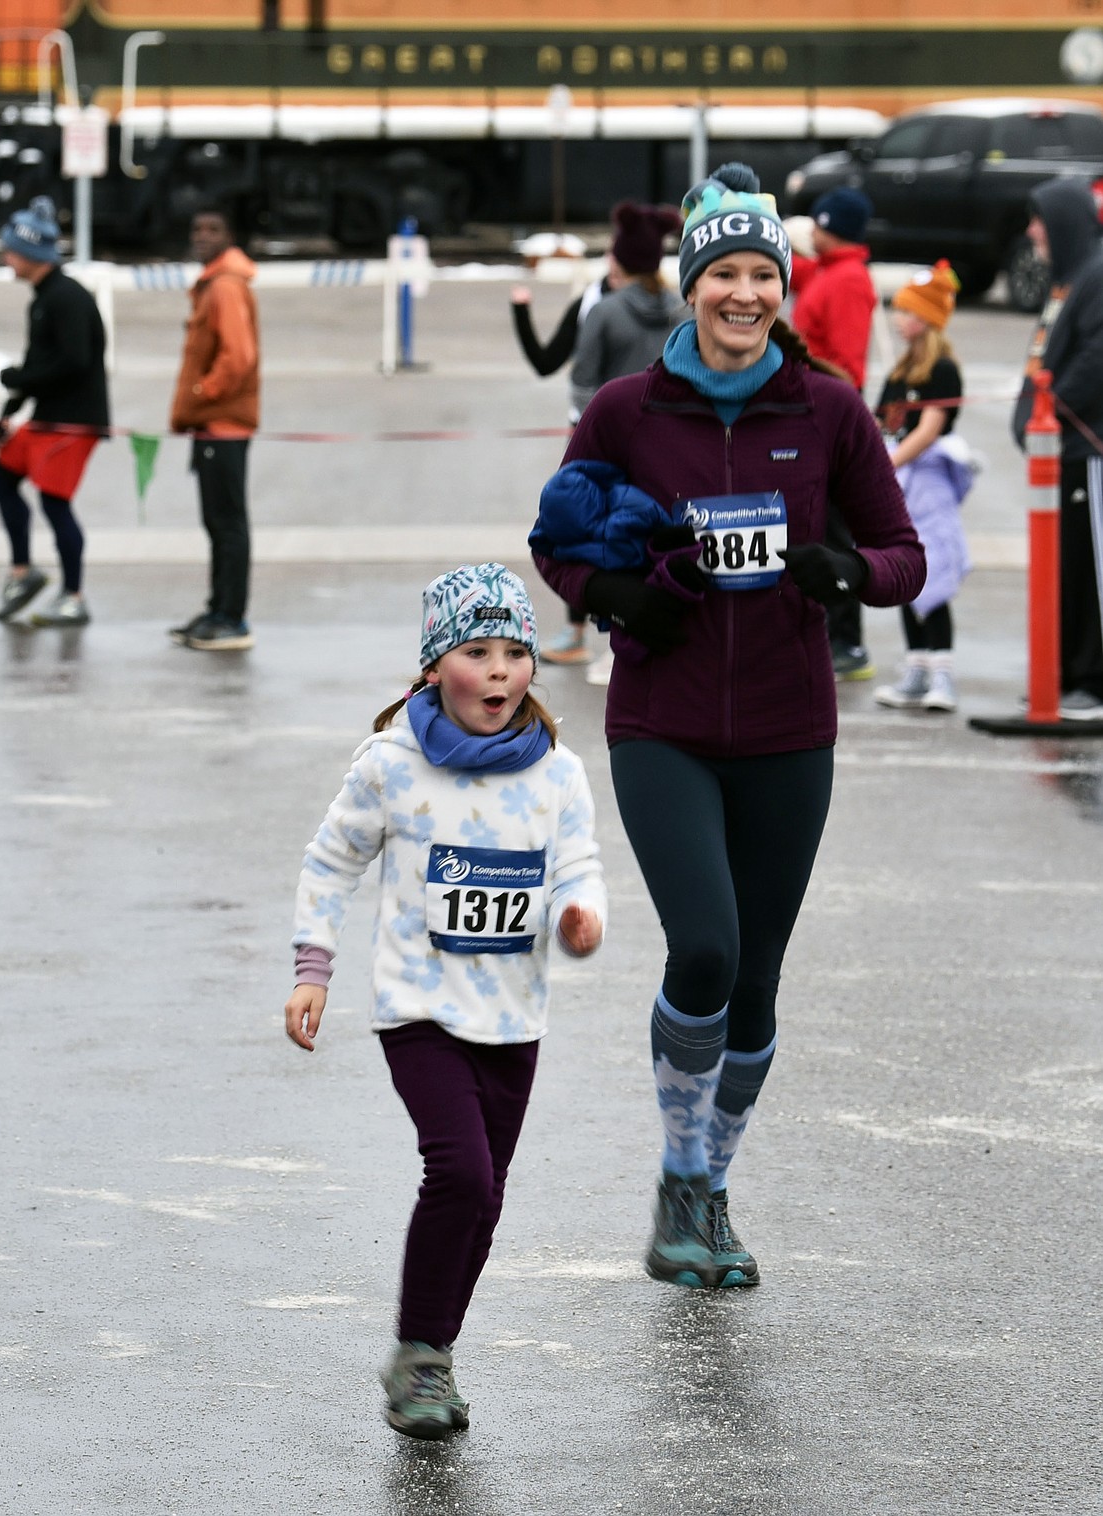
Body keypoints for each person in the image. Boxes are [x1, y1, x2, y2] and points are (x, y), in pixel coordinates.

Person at [531, 162, 924, 1291]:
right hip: (665, 718)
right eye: (724, 275)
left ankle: (712, 1182)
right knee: (704, 944)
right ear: (692, 284)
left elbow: (908, 556)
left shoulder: (830, 410)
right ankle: (674, 1173)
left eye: (762, 275)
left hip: (792, 729)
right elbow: (557, 537)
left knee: (757, 981)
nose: (743, 293)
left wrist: (845, 570)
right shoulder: (626, 411)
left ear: (781, 287)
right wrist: (611, 599)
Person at [285, 563, 605, 1439]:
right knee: (459, 1172)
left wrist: (582, 919)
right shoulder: (394, 764)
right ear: (434, 668)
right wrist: (314, 967)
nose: (499, 671)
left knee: (487, 1197)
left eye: (514, 652)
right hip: (419, 1010)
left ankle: (431, 1352)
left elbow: (579, 869)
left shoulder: (558, 773)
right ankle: (420, 1356)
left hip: (513, 1013)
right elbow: (332, 861)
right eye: (475, 651)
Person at [567, 200, 686, 686]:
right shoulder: (682, 310)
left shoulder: (606, 313)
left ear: (619, 261)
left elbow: (581, 382)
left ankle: (619, 644)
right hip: (675, 444)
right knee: (667, 543)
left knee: (613, 547)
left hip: (615, 451)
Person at [0, 196, 108, 628]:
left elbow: (75, 361)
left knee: (55, 503)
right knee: (0, 478)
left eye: (10, 250)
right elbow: (38, 361)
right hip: (47, 415)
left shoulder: (66, 298)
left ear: (29, 252)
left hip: (73, 420)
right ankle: (23, 572)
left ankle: (74, 596)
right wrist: (11, 408)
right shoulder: (42, 296)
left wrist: (21, 381)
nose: (5, 258)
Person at [1012, 176, 1103, 720]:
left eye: (1039, 219)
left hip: (1081, 453)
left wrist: (1048, 417)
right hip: (1057, 455)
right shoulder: (1070, 280)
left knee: (1087, 566)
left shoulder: (1096, 276)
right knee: (1060, 569)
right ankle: (1063, 671)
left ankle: (1092, 679)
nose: (1031, 231)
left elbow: (1096, 358)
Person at [789, 186, 880, 682]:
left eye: (817, 226)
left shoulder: (845, 281)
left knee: (835, 531)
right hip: (813, 416)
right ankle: (835, 635)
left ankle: (847, 641)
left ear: (831, 227)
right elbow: (801, 272)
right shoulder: (830, 271)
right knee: (820, 526)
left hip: (828, 421)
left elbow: (847, 365)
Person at [874, 262, 973, 713]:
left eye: (907, 311)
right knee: (905, 570)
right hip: (898, 481)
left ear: (928, 319)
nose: (898, 319)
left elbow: (927, 430)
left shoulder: (942, 370)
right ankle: (915, 669)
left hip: (926, 483)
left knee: (932, 572)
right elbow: (882, 423)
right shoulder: (899, 373)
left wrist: (887, 462)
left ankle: (942, 674)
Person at [510, 267, 614, 666]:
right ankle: (576, 631)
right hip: (597, 434)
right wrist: (521, 312)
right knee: (580, 525)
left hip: (637, 429)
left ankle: (591, 631)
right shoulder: (591, 302)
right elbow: (546, 360)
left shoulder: (671, 307)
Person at [168, 205, 261, 652]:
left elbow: (237, 357)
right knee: (218, 522)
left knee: (227, 524)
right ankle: (218, 608)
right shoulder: (214, 282)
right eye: (196, 228)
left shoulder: (224, 286)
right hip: (212, 428)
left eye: (213, 229)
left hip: (223, 426)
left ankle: (232, 617)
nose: (202, 236)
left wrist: (203, 392)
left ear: (230, 236)